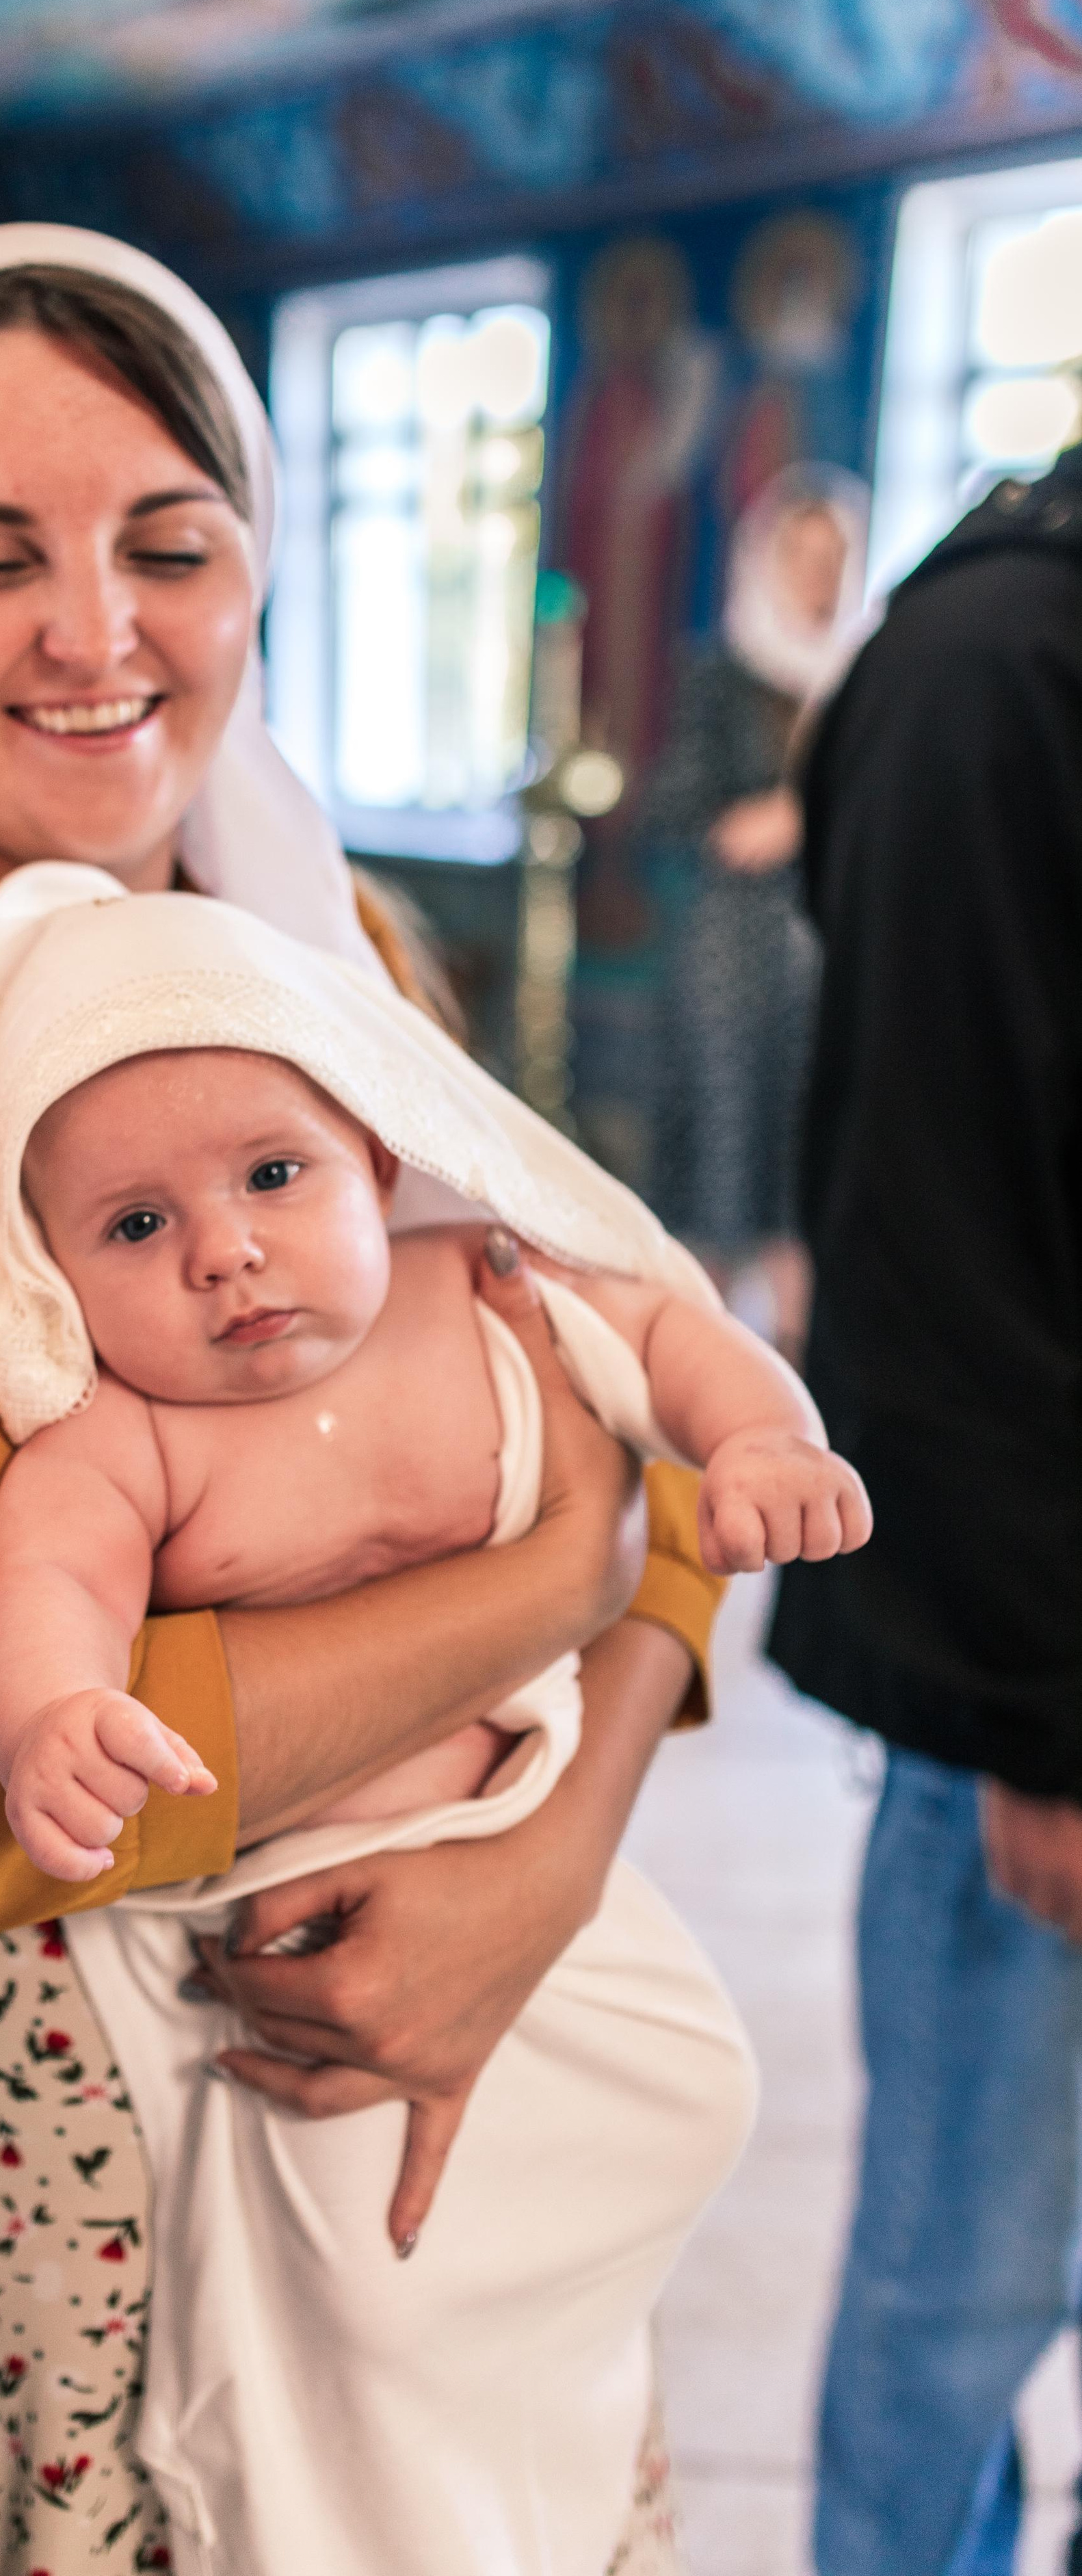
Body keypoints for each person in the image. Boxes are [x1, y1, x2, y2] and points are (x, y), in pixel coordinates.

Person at [0, 226, 732, 2576]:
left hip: (471, 2000)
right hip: (94, 2138)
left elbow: (627, 1368)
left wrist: (541, 1873)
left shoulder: (316, 941)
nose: (97, 632)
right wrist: (548, 1567)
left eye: (171, 544)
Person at [0, 896, 867, 1884]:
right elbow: (54, 1584)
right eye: (137, 1225)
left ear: (380, 1166)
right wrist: (53, 1717)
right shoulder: (125, 1437)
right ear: (49, 1269)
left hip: (523, 1850)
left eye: (272, 1173)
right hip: (256, 1889)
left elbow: (662, 1327)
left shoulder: (477, 1286)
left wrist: (763, 1435)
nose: (226, 1253)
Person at [769, 447, 1082, 2576]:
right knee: (961, 2289)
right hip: (1047, 1681)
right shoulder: (1000, 668)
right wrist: (1038, 1724)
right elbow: (946, 1239)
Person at [642, 464, 871, 1352]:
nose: (817, 575)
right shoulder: (722, 672)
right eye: (800, 555)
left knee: (809, 1167)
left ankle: (801, 1377)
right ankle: (710, 1367)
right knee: (723, 1158)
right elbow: (673, 805)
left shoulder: (864, 673)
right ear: (766, 560)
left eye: (833, 557)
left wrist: (815, 814)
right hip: (731, 956)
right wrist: (758, 816)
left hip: (830, 952)